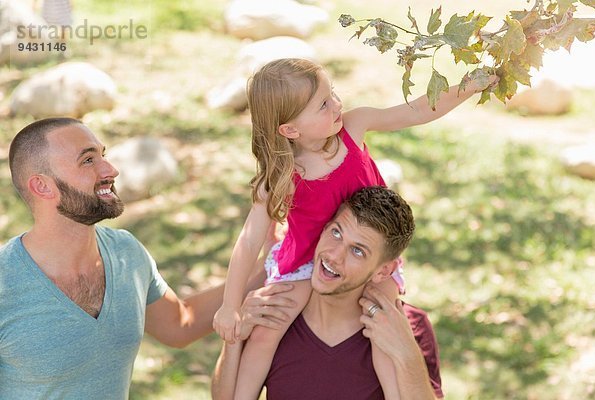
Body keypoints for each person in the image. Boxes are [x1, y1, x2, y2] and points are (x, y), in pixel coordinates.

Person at [212, 58, 495, 399]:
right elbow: (248, 242)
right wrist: (230, 305)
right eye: (323, 104)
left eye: (331, 93)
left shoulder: (353, 127)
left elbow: (417, 110)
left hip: (367, 251)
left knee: (382, 319)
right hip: (307, 262)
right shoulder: (283, 177)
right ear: (290, 130)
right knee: (266, 332)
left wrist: (469, 86)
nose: (336, 104)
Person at [0, 118, 258, 399]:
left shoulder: (126, 254)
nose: (111, 170)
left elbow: (179, 325)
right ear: (42, 186)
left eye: (103, 155)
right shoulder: (6, 285)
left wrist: (269, 266)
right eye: (87, 160)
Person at [212, 186, 442, 399]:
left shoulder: (408, 327)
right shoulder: (274, 313)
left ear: (384, 271)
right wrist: (235, 337)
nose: (334, 255)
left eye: (357, 251)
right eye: (336, 233)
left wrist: (407, 356)